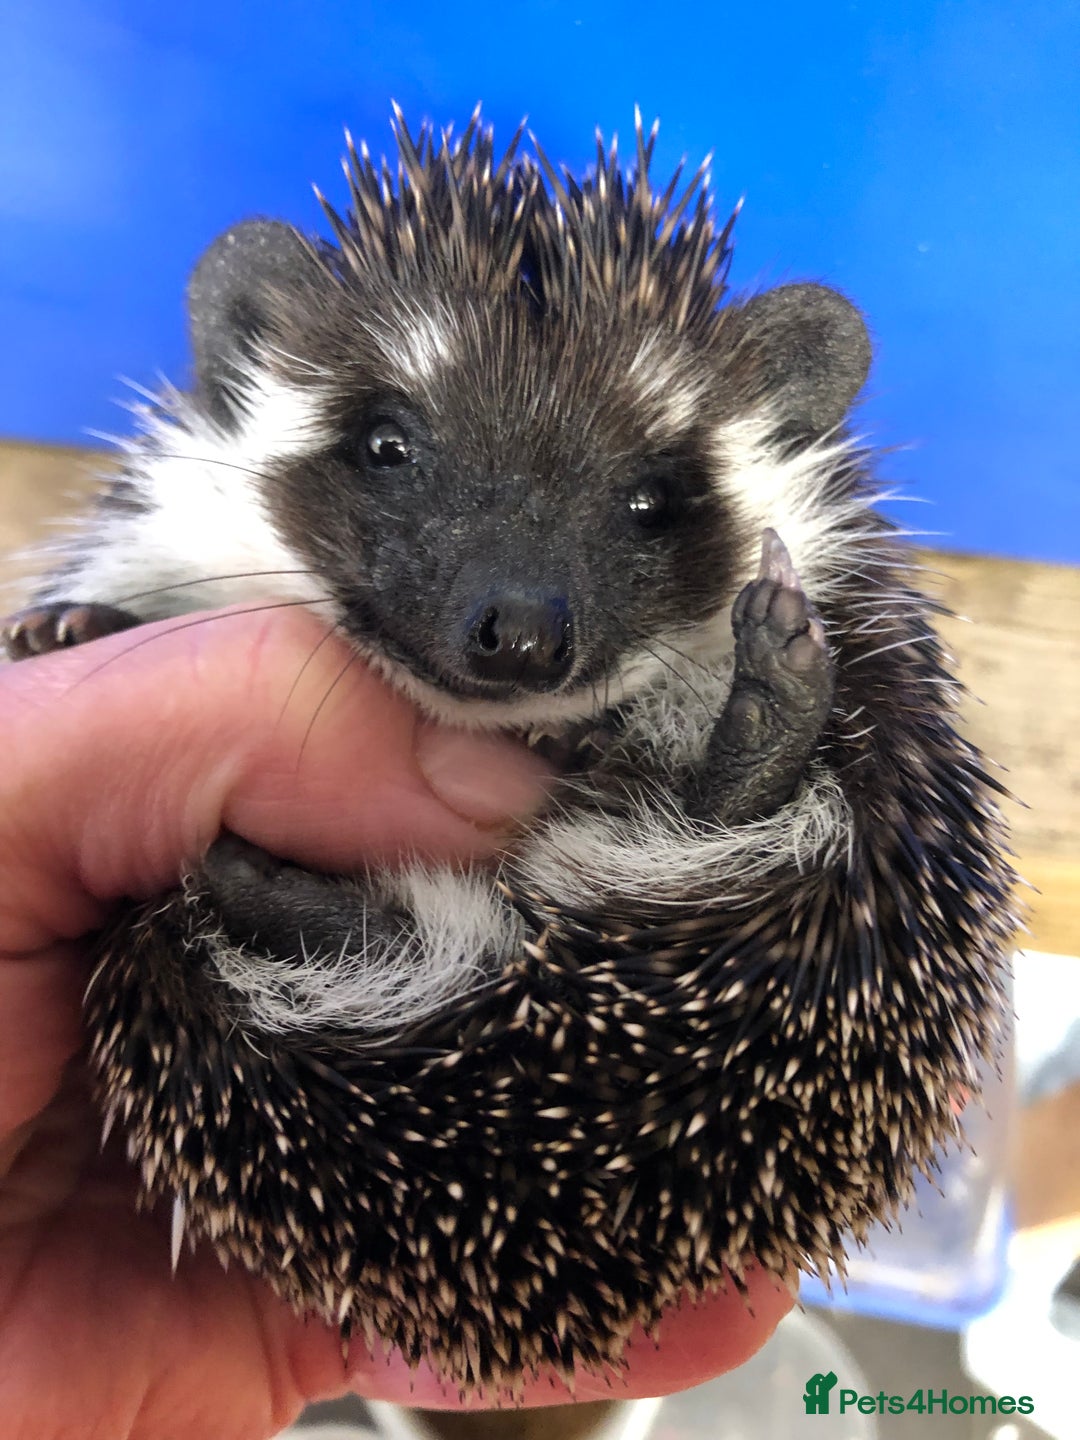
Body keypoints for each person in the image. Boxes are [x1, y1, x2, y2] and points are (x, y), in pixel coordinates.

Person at [0, 607, 792, 1438]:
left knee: (220, 1000)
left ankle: (360, 955)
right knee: (724, 992)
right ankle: (708, 835)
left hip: (327, 1031)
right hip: (645, 952)